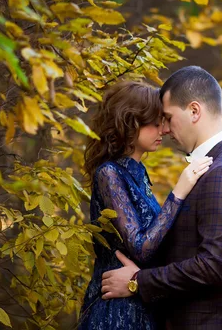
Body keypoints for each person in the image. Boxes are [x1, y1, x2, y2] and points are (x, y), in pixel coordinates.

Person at [100, 66, 222, 329]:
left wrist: (137, 281)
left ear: (194, 111)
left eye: (167, 117)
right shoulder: (214, 168)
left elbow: (212, 267)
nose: (164, 128)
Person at [78, 81, 213, 330]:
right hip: (117, 311)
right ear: (130, 122)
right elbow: (141, 248)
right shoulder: (109, 173)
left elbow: (157, 242)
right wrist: (179, 191)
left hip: (139, 302)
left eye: (163, 120)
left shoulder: (138, 173)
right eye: (154, 122)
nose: (163, 129)